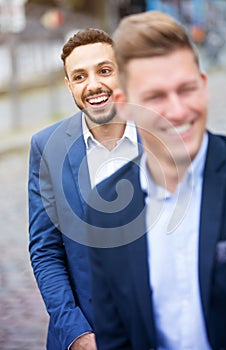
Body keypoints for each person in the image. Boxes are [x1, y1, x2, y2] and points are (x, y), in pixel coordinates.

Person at [86, 11, 226, 350]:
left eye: (187, 89)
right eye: (156, 98)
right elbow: (115, 338)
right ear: (123, 106)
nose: (179, 110)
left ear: (204, 85)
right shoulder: (105, 211)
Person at [28, 28, 140, 350]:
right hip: (88, 335)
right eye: (79, 76)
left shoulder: (163, 138)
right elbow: (46, 251)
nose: (93, 85)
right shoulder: (46, 147)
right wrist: (76, 334)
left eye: (105, 70)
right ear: (68, 85)